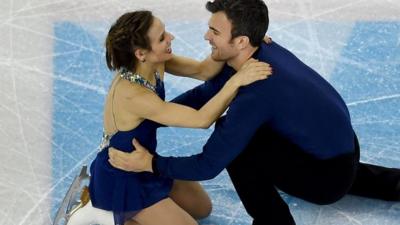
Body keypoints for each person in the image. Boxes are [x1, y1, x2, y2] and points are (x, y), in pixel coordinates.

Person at [108, 0, 400, 225]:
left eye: (215, 31)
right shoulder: (259, 53)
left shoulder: (256, 90)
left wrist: (153, 164)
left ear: (241, 41)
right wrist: (157, 118)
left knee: (238, 145)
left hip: (326, 178)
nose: (206, 36)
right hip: (342, 152)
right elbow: (208, 91)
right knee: (248, 131)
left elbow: (208, 165)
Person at [60, 10, 272, 225]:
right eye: (162, 38)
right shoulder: (133, 96)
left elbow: (203, 70)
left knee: (203, 208)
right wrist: (236, 81)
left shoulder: (156, 62)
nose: (171, 37)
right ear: (141, 53)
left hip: (144, 161)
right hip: (122, 175)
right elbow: (201, 119)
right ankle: (101, 211)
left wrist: (241, 42)